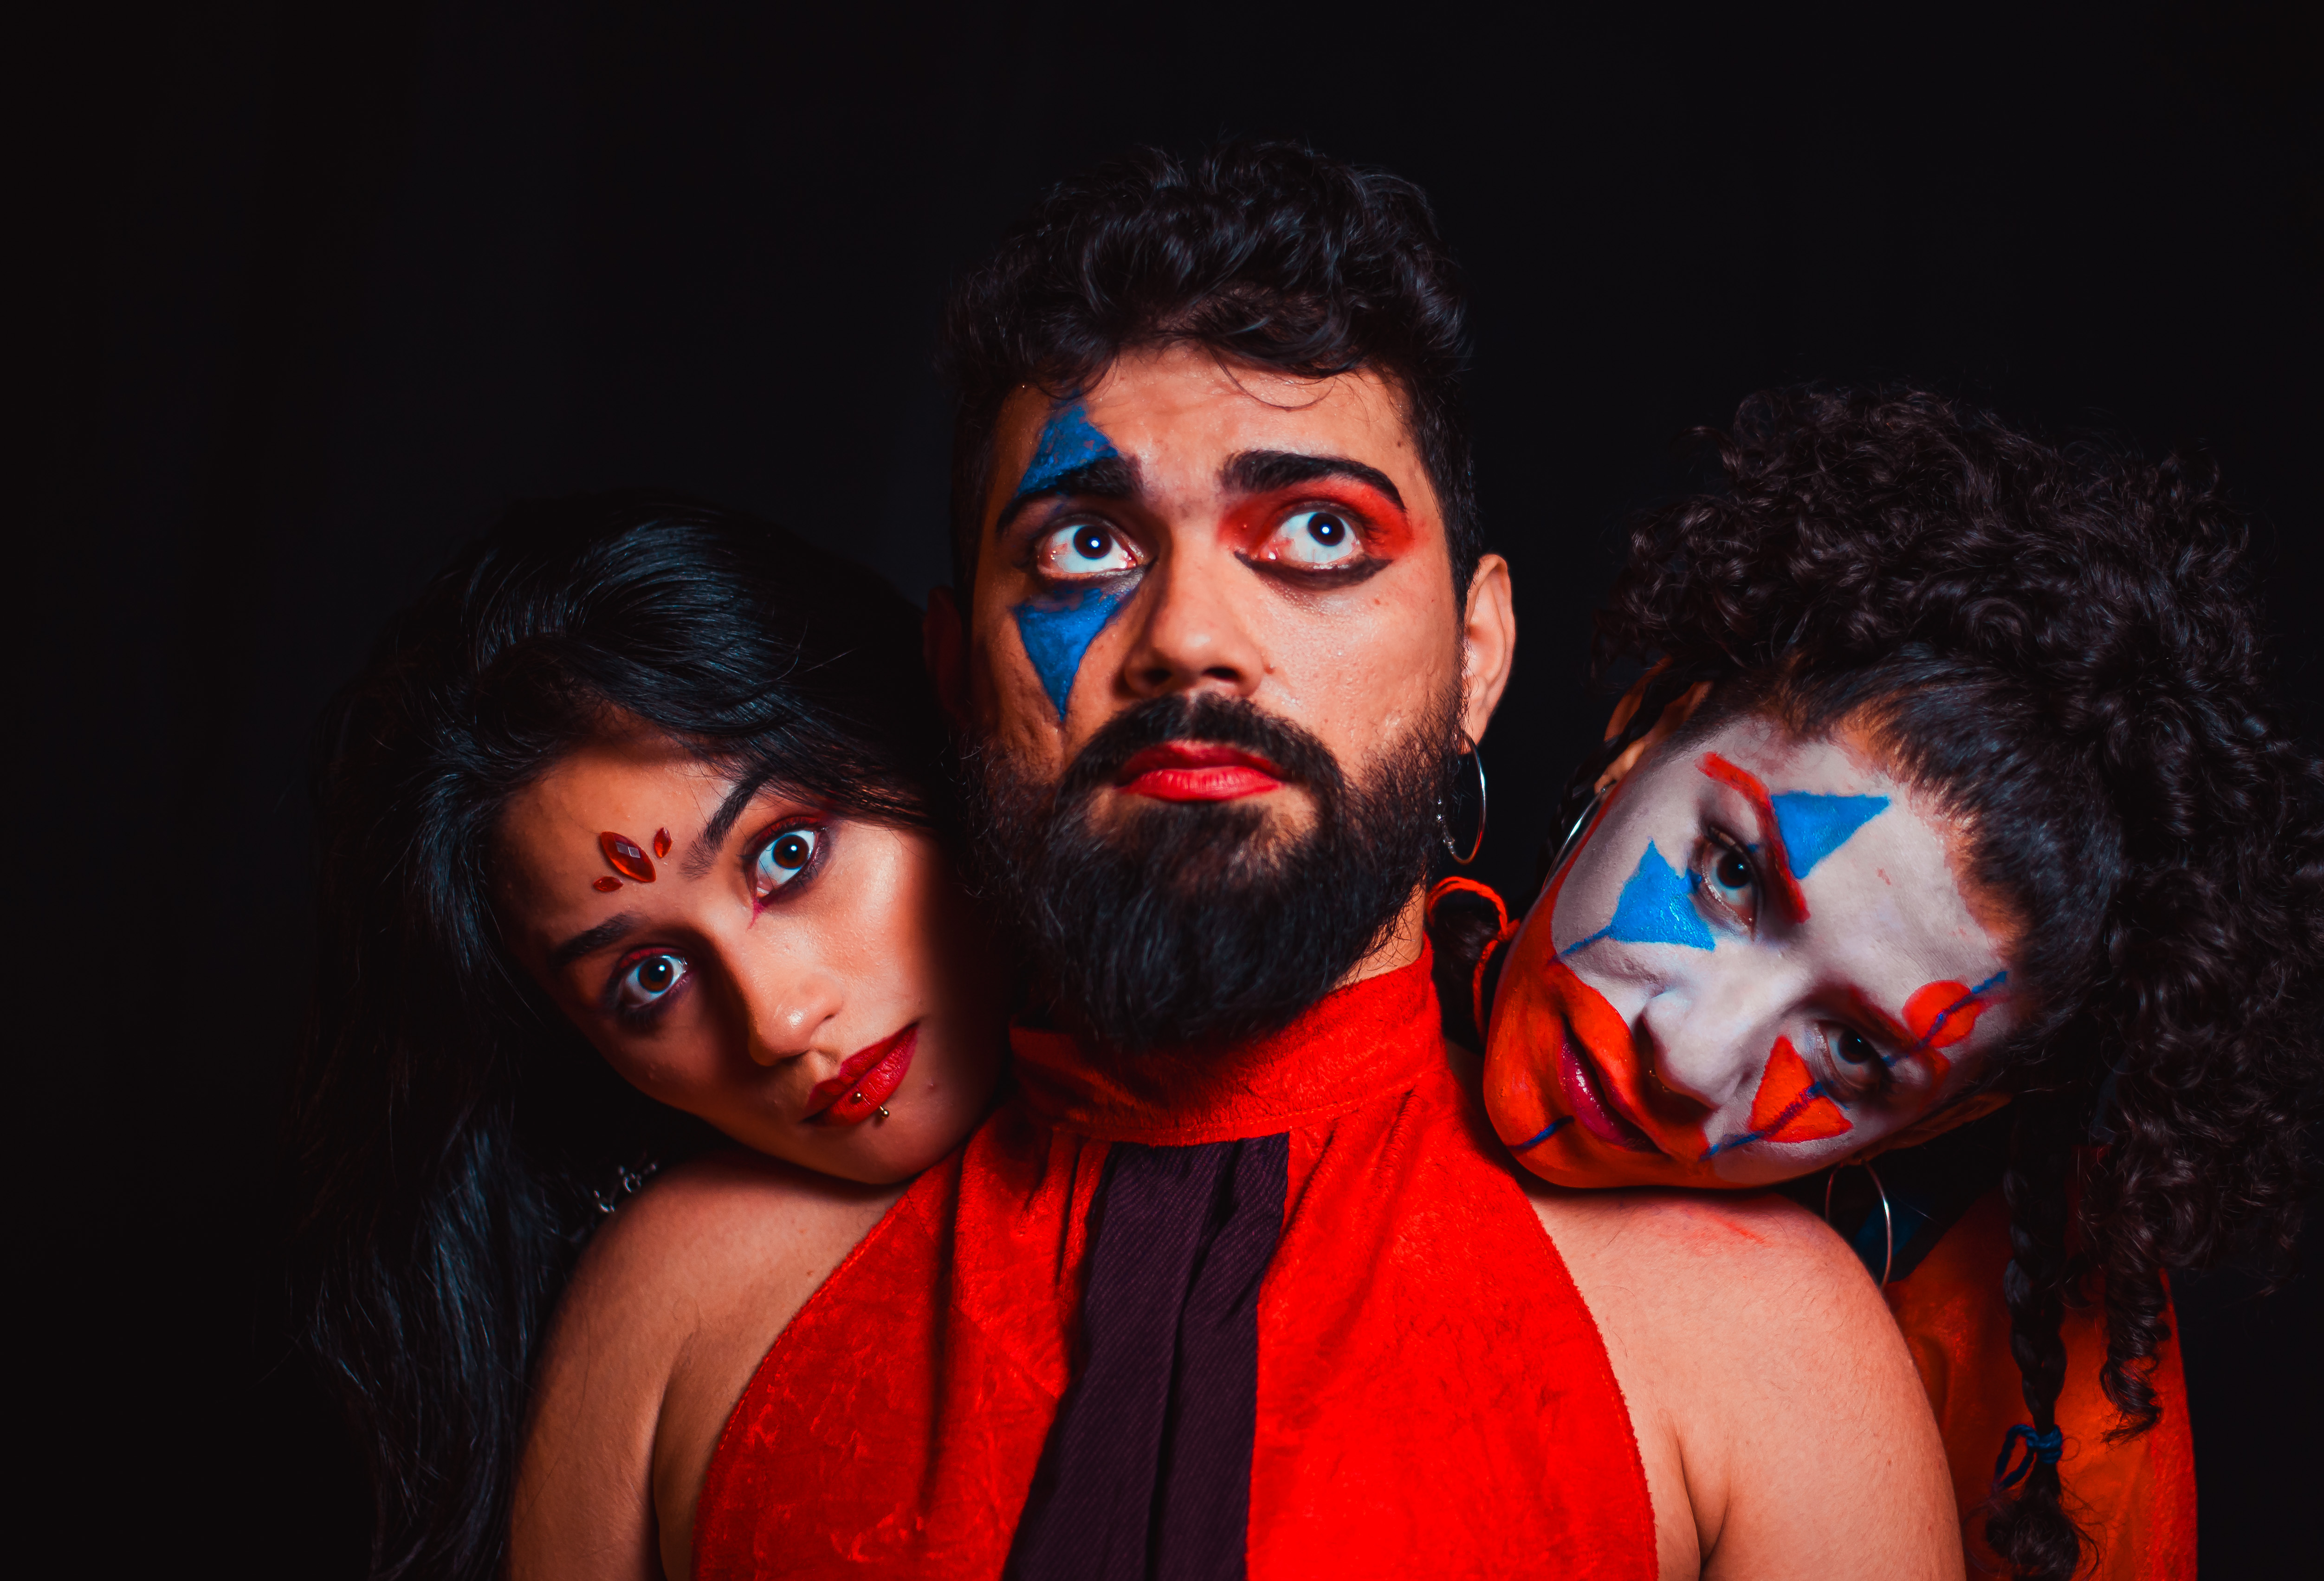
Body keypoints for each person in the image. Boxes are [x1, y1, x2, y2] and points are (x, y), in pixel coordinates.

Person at [688, 143, 1961, 1580]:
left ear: (1476, 654)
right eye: (1087, 543)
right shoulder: (693, 1313)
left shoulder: (1762, 1359)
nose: (1189, 637)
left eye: (1316, 530)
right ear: (952, 667)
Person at [1444, 388, 2324, 1581]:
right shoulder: (1292, 951)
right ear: (1644, 731)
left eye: (1857, 1050)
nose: (1692, 1054)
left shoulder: (1958, 1387)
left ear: (1945, 1118)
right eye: (1730, 875)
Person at [287, 493, 1009, 1581]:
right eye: (650, 978)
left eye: (788, 857)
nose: (778, 1022)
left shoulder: (1260, 1124)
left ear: (928, 731)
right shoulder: (664, 1304)